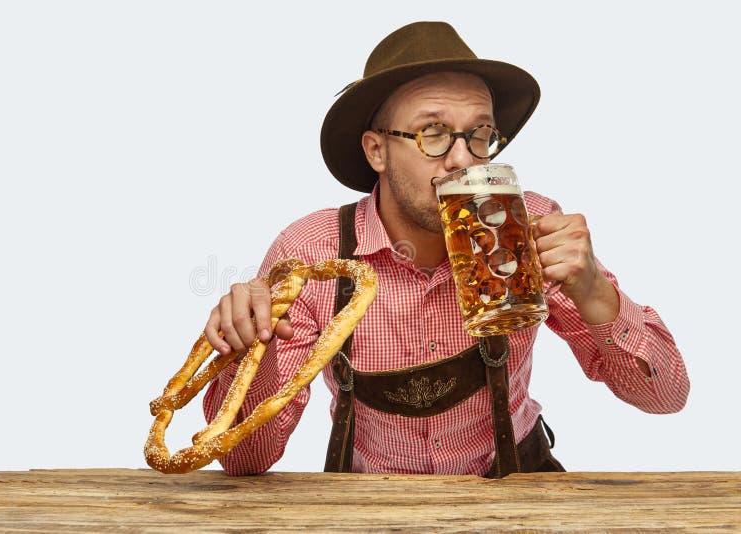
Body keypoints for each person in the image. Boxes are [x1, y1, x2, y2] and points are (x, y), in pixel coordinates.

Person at [202, 21, 689, 476]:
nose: (462, 160)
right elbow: (245, 460)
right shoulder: (316, 253)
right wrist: (252, 344)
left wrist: (595, 290)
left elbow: (666, 396)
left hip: (517, 487)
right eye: (432, 133)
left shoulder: (526, 226)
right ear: (377, 150)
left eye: (480, 134)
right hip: (368, 504)